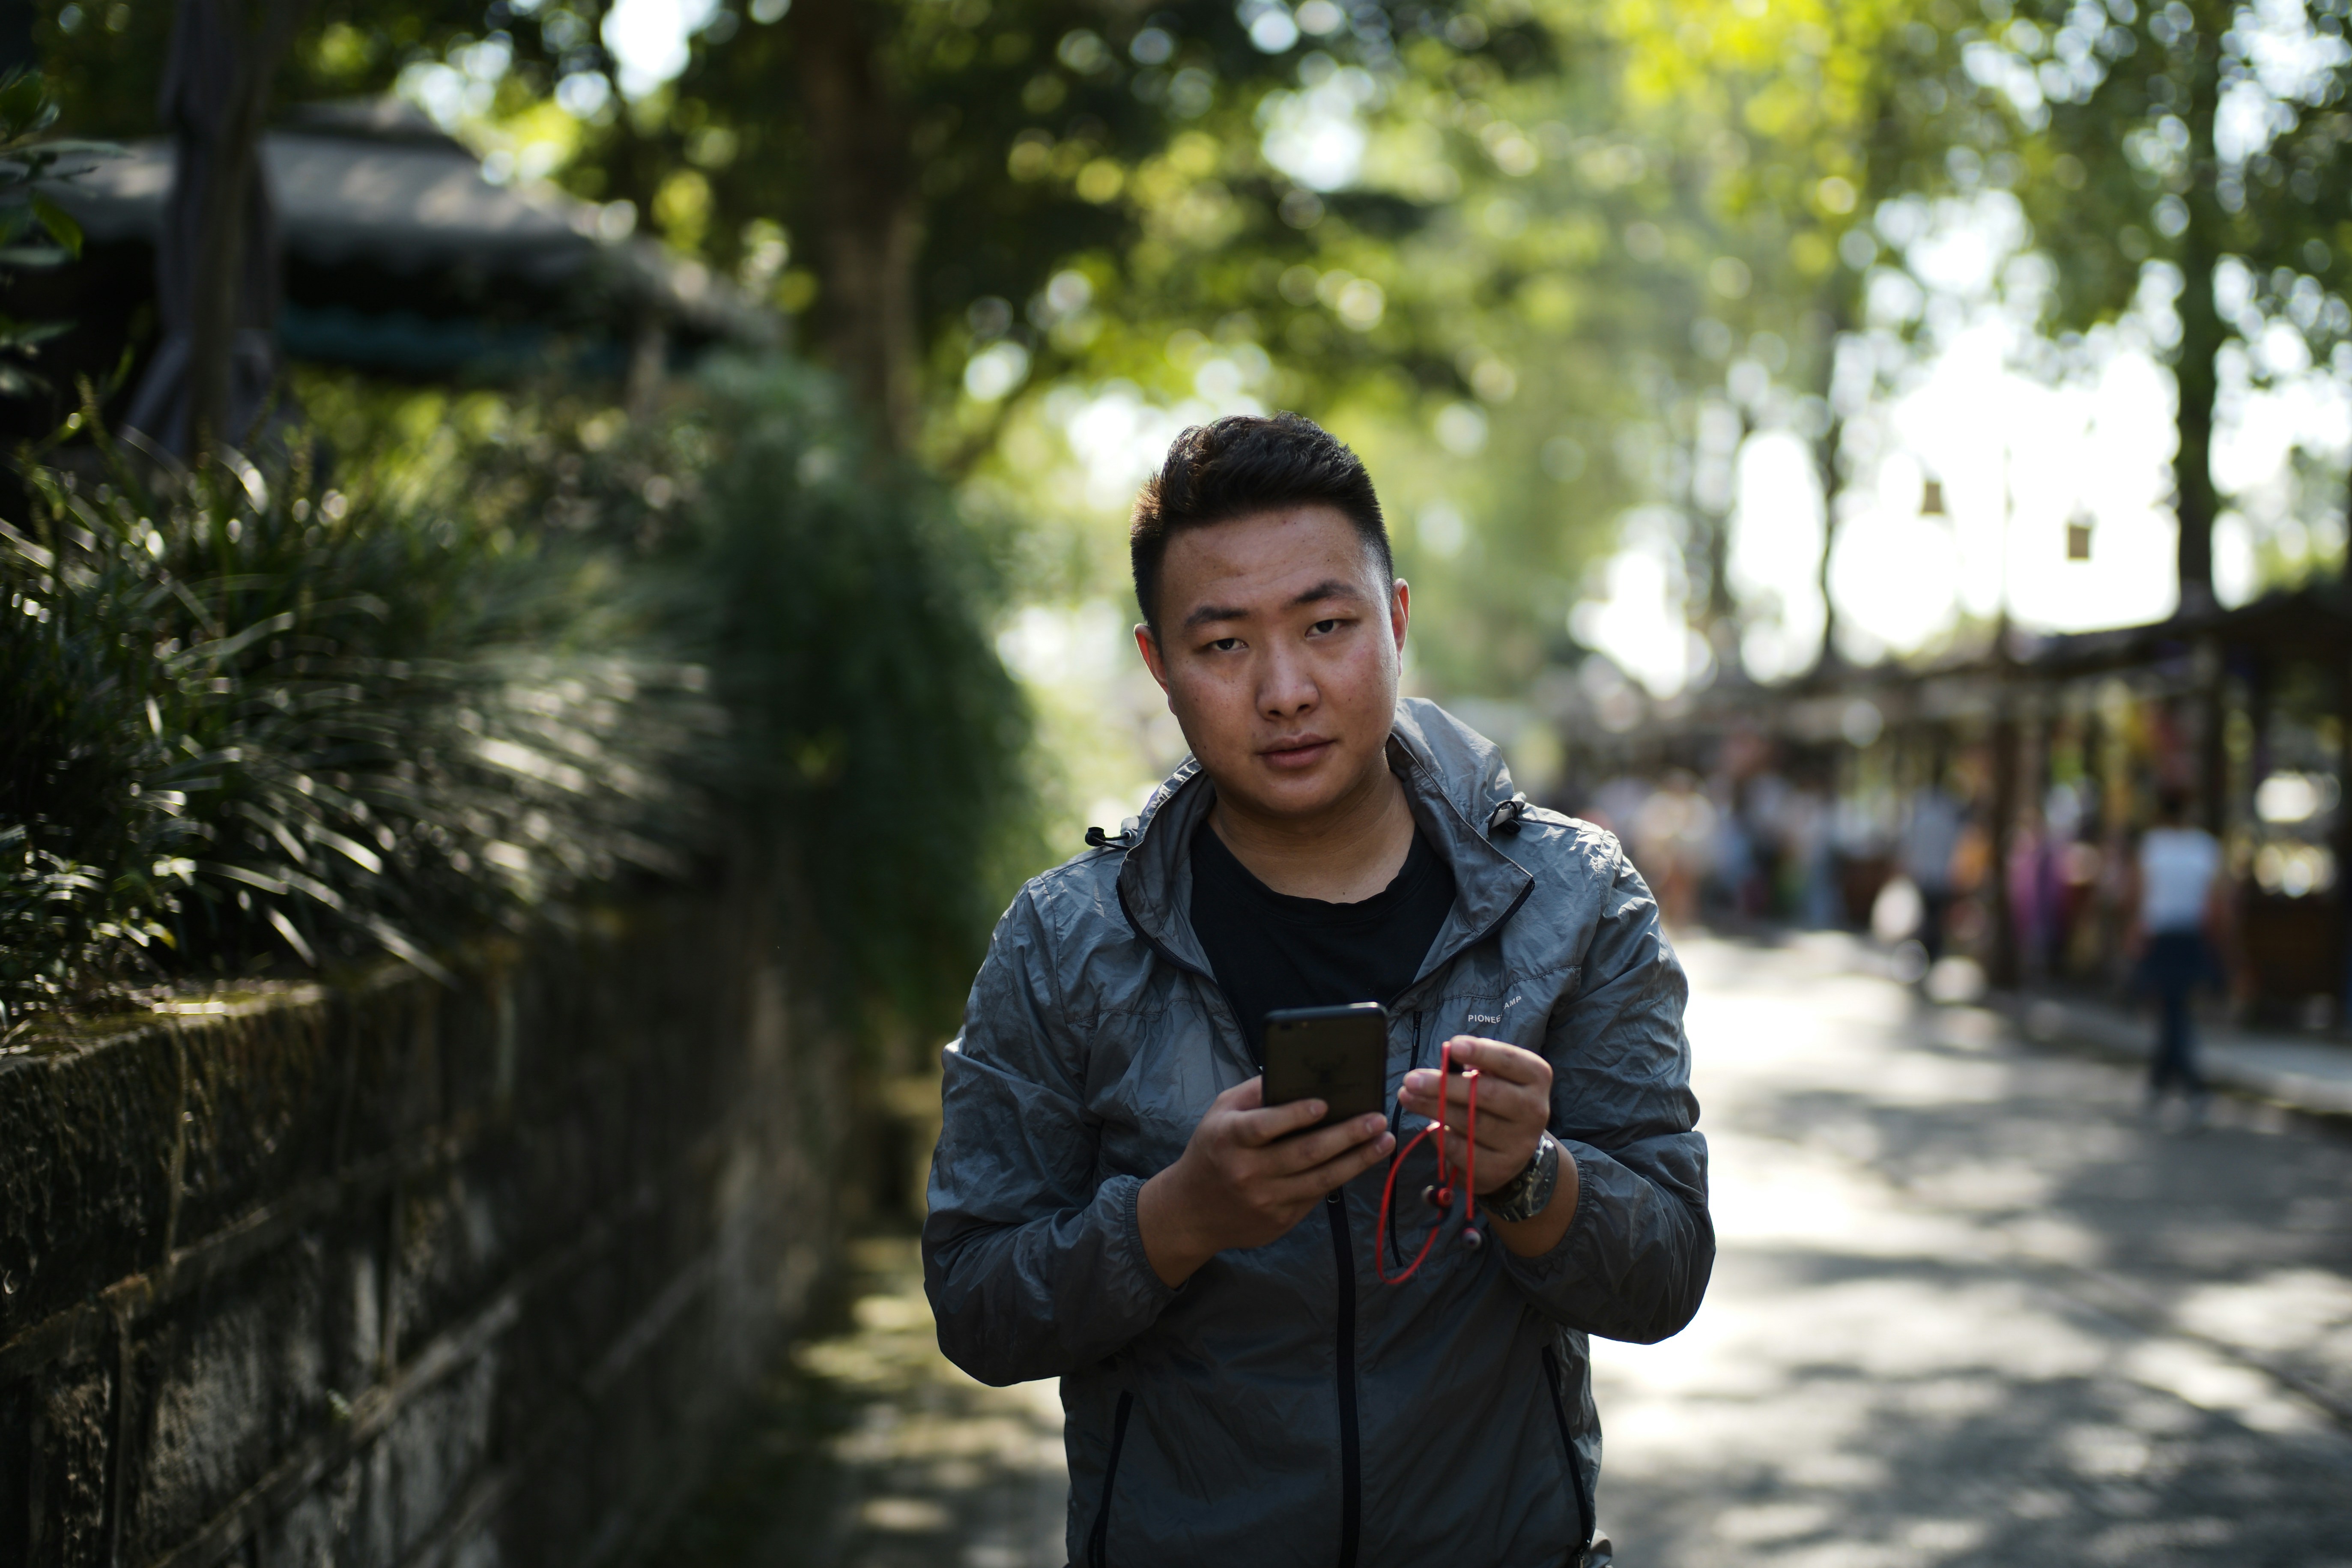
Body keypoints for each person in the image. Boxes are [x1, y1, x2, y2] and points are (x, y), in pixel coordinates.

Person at [922, 413, 1713, 1568]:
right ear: (1160, 666)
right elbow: (975, 1303)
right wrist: (1177, 1216)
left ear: (1393, 621)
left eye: (1326, 625)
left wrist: (1530, 1176)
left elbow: (1666, 1273)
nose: (1285, 688)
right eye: (1225, 645)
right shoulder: (1067, 938)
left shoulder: (1573, 899)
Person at [2134, 789, 2222, 1123]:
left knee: (2172, 1011)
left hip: (2162, 935)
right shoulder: (2205, 848)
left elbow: (2141, 895)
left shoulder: (2153, 846)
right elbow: (2216, 903)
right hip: (2191, 936)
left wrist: (2136, 936)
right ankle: (2161, 1081)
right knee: (2176, 1009)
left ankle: (2189, 1085)